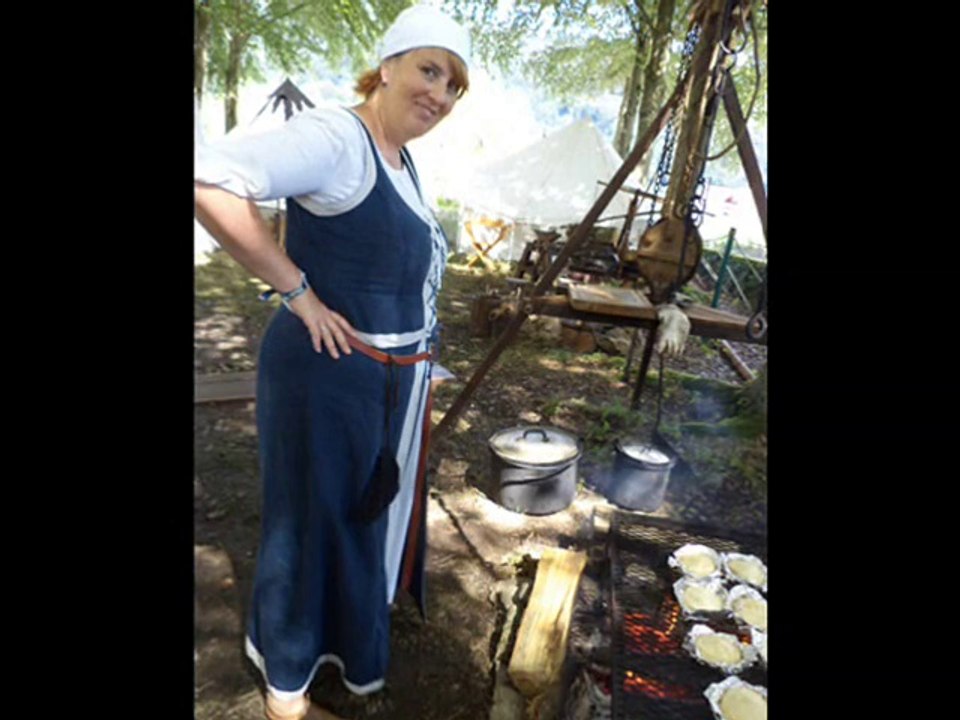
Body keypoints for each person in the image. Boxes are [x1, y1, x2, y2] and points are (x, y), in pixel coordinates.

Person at [194, 6, 471, 720]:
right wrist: (297, 293)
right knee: (310, 523)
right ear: (386, 66)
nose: (440, 95)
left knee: (357, 518)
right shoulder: (336, 138)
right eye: (429, 70)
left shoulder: (401, 159)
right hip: (325, 378)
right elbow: (209, 178)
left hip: (383, 382)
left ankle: (350, 655)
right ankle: (287, 688)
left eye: (453, 85)